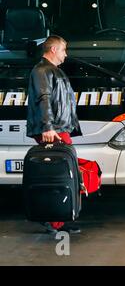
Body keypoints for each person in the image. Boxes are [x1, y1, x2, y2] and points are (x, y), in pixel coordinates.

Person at [26, 35, 82, 234]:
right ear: (53, 50)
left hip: (58, 128)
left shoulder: (51, 71)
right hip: (53, 131)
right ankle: (55, 220)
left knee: (61, 173)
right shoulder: (42, 71)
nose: (66, 55)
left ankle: (60, 216)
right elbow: (44, 98)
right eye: (63, 50)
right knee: (57, 174)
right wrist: (48, 127)